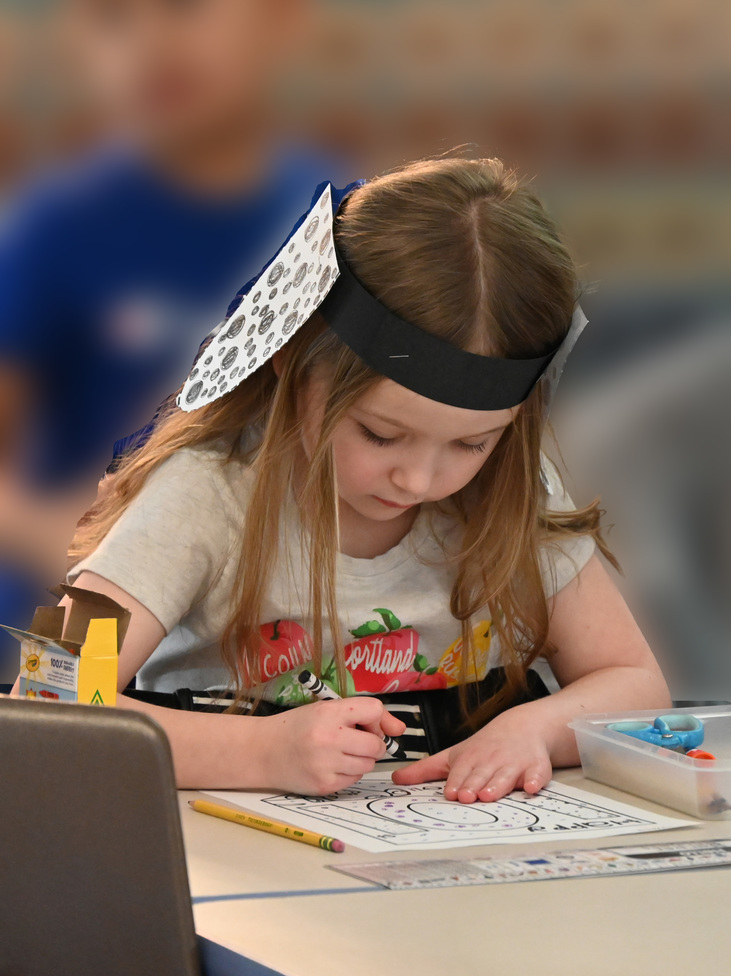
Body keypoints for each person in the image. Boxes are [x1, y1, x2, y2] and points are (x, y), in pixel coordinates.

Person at [57, 156, 669, 801]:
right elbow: (48, 695)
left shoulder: (515, 488)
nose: (419, 478)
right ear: (296, 366)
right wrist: (259, 753)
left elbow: (633, 679)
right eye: (380, 434)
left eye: (472, 443)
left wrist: (538, 730)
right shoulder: (200, 492)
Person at [0, 0, 335, 676]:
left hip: (266, 621)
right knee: (68, 717)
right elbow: (56, 702)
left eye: (182, 6)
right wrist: (80, 536)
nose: (149, 42)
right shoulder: (53, 227)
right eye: (111, 15)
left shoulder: (344, 221)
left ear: (281, 17)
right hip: (85, 582)